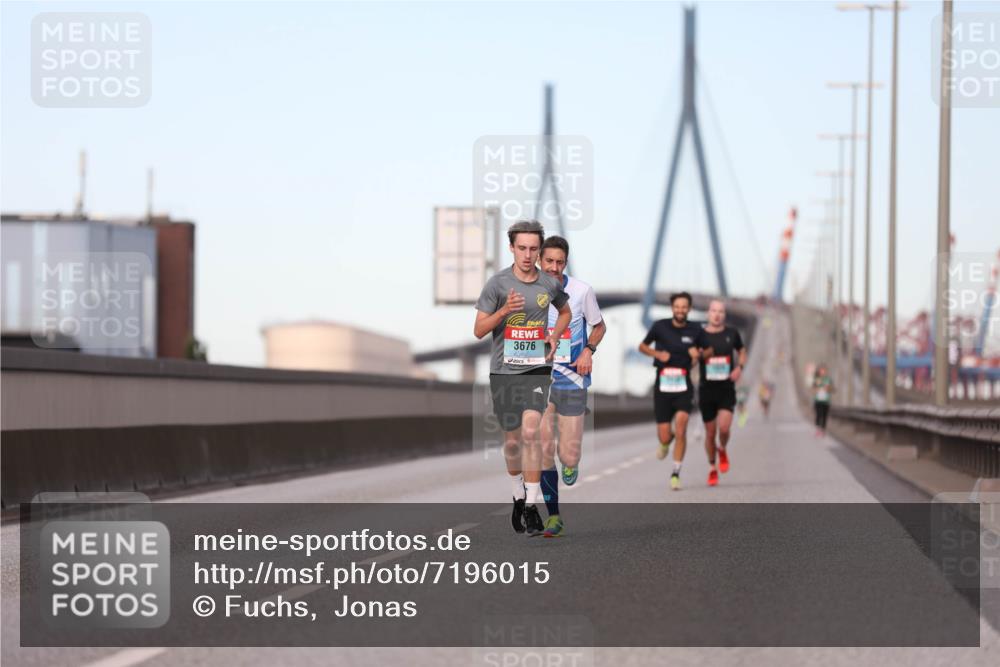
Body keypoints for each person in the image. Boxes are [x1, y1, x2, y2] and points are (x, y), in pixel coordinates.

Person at [474, 220, 571, 536]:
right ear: (512, 248)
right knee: (513, 441)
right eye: (522, 248)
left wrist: (555, 335)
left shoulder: (548, 283)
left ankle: (531, 506)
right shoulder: (497, 284)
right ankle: (518, 493)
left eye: (533, 249)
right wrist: (503, 312)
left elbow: (566, 312)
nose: (528, 255)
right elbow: (478, 331)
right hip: (504, 372)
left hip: (536, 369)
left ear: (539, 250)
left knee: (531, 433)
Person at [537, 236, 606, 537]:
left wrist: (589, 349)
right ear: (540, 260)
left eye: (559, 262)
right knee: (541, 445)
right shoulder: (526, 292)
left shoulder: (581, 292)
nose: (553, 267)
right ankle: (553, 516)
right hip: (537, 378)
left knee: (569, 453)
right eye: (548, 261)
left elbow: (599, 325)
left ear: (565, 263)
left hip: (572, 377)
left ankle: (570, 463)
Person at [638, 291, 707, 491]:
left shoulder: (696, 329)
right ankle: (665, 443)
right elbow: (642, 346)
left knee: (682, 426)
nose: (680, 310)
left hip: (684, 384)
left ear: (689, 309)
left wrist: (698, 353)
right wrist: (657, 353)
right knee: (665, 434)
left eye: (684, 307)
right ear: (672, 308)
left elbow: (705, 352)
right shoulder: (660, 326)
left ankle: (676, 473)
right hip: (663, 385)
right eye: (677, 307)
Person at [698, 300, 747, 487]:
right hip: (706, 390)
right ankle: (712, 468)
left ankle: (723, 448)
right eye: (713, 311)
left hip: (726, 389)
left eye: (720, 311)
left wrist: (739, 367)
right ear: (708, 313)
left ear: (724, 315)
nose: (717, 314)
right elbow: (693, 356)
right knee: (710, 433)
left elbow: (742, 351)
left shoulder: (732, 334)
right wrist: (700, 355)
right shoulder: (700, 335)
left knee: (724, 429)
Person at [812, 364, 834, 436]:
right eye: (821, 370)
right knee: (818, 414)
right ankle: (818, 429)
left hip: (826, 400)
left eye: (823, 370)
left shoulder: (828, 379)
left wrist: (827, 388)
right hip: (818, 400)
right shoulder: (817, 379)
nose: (822, 372)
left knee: (824, 415)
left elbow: (832, 389)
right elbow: (813, 389)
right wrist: (817, 389)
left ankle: (823, 429)